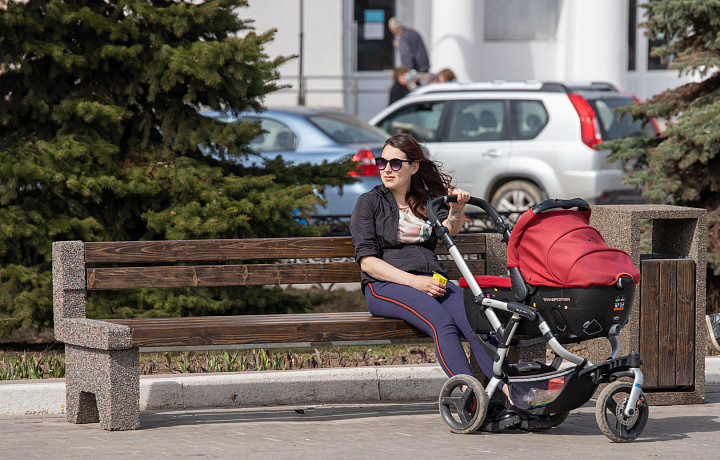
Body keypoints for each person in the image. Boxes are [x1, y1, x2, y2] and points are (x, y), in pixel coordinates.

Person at [349, 134, 520, 430]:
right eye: (382, 162)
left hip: (431, 280)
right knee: (442, 322)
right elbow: (368, 262)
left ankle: (513, 395)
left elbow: (448, 232)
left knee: (476, 320)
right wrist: (415, 284)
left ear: (414, 167)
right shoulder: (370, 203)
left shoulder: (425, 201)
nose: (387, 169)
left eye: (395, 163)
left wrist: (456, 210)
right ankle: (472, 399)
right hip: (386, 285)